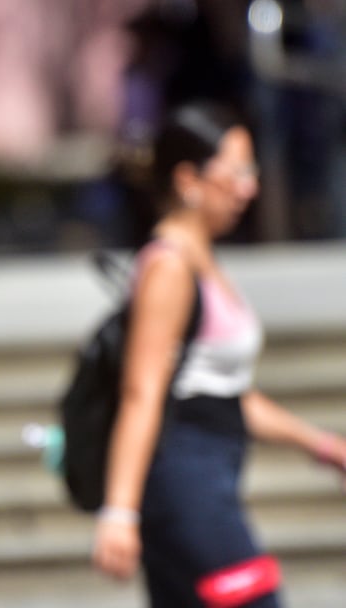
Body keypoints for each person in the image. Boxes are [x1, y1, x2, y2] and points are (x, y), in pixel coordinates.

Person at [91, 101, 346, 607]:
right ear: (189, 179)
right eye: (238, 171)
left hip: (205, 477)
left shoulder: (198, 259)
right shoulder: (168, 267)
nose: (249, 187)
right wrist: (119, 512)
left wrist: (322, 446)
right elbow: (141, 392)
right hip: (184, 484)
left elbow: (226, 392)